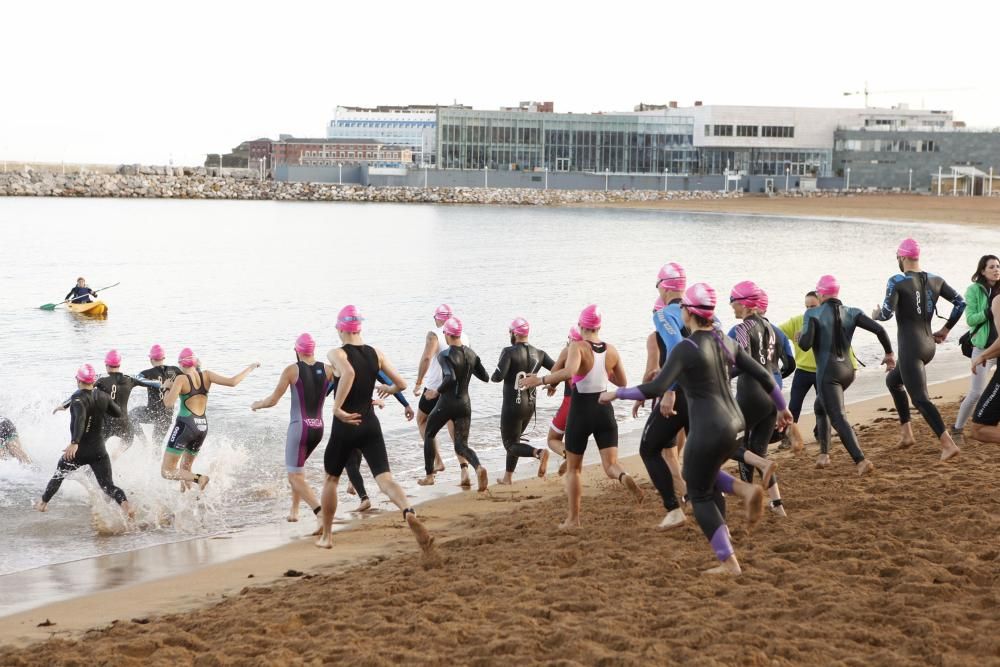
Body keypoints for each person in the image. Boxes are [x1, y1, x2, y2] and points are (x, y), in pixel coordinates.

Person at [601, 284, 793, 576]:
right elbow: (763, 375)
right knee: (705, 473)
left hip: (709, 428)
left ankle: (729, 563)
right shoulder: (723, 340)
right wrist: (782, 406)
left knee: (699, 492)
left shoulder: (686, 348)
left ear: (688, 312)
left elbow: (655, 387)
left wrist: (618, 394)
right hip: (735, 424)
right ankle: (744, 489)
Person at [317, 305, 432, 552]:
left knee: (331, 479)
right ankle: (408, 511)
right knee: (385, 479)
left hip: (346, 425)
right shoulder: (376, 353)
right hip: (370, 424)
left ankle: (327, 536)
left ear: (340, 328)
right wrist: (389, 390)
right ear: (360, 327)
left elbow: (347, 372)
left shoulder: (336, 353)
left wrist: (338, 408)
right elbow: (400, 383)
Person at [523, 305, 643, 530]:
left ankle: (573, 519)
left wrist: (539, 380)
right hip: (604, 409)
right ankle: (623, 476)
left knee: (574, 470)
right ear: (599, 326)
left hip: (581, 411)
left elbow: (569, 373)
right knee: (610, 465)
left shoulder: (577, 347)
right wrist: (603, 372)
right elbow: (622, 383)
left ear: (581, 326)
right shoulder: (612, 350)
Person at [872, 238, 965, 461]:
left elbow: (886, 314)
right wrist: (945, 329)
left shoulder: (897, 280)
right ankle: (906, 435)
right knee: (893, 381)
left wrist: (875, 315)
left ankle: (948, 444)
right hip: (928, 345)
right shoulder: (935, 279)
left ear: (902, 257)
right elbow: (961, 303)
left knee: (920, 399)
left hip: (911, 347)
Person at [800, 275, 894, 474]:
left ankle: (861, 460)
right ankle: (824, 455)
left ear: (821, 293)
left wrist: (801, 335)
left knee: (837, 416)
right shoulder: (852, 312)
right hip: (847, 371)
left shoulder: (813, 314)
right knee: (820, 406)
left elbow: (805, 345)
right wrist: (889, 354)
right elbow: (879, 329)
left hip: (828, 373)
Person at [252, 333, 334, 524]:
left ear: (297, 350)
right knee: (297, 469)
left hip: (299, 429)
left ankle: (320, 513)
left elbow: (273, 400)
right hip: (318, 429)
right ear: (313, 350)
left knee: (294, 476)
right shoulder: (329, 369)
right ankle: (295, 511)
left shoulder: (291, 370)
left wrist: (257, 404)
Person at [37, 364, 135, 517]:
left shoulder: (77, 398)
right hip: (99, 451)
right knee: (107, 486)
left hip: (79, 451)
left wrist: (74, 442)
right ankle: (125, 504)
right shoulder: (103, 396)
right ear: (92, 381)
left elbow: (80, 419)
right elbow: (117, 413)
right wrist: (103, 405)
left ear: (79, 380)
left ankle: (43, 503)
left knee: (59, 474)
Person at [727, 281, 787, 516]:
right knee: (758, 451)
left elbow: (741, 363)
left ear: (742, 303)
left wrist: (722, 377)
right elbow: (778, 364)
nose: (731, 307)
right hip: (772, 394)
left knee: (732, 444)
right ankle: (778, 505)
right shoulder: (771, 329)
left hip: (751, 392)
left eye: (732, 301)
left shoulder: (741, 329)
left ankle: (749, 499)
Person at [638, 262, 690, 529]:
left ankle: (676, 506)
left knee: (655, 451)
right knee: (691, 453)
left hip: (673, 395)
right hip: (701, 394)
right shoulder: (699, 314)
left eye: (657, 284)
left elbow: (666, 356)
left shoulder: (660, 324)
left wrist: (663, 391)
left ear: (664, 287)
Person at [161, 348, 259, 490]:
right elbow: (233, 382)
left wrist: (166, 388)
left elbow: (168, 403)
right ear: (195, 363)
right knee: (185, 469)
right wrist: (251, 367)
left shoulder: (181, 379)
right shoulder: (207, 375)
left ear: (181, 364)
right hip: (202, 428)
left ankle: (200, 478)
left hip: (185, 426)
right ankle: (187, 501)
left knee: (167, 471)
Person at [417, 317, 491, 491]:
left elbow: (450, 377)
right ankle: (478, 467)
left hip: (447, 402)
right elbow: (485, 377)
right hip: (465, 404)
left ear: (448, 335)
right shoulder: (471, 354)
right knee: (461, 444)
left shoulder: (445, 355)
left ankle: (429, 476)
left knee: (429, 432)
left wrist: (436, 391)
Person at [778, 291, 856, 452]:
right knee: (794, 406)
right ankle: (788, 437)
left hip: (824, 371)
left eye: (813, 306)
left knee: (824, 406)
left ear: (821, 306)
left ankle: (819, 433)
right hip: (802, 371)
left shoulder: (830, 322)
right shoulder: (797, 321)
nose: (809, 310)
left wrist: (852, 366)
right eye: (806, 307)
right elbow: (775, 334)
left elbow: (844, 347)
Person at [491, 317, 555, 484]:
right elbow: (559, 369)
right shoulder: (540, 354)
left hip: (513, 405)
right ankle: (507, 478)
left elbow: (498, 377)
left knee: (510, 444)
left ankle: (539, 453)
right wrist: (550, 383)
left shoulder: (509, 352)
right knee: (515, 440)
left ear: (514, 333)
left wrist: (495, 371)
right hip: (530, 406)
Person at [413, 304, 471, 486]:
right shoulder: (464, 336)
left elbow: (427, 358)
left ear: (437, 318)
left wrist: (418, 382)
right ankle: (464, 470)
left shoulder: (435, 334)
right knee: (454, 428)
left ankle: (437, 461)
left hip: (434, 387)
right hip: (456, 390)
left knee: (422, 421)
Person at [953, 255, 1000, 442]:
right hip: (983, 349)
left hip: (998, 347)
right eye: (991, 267)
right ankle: (957, 429)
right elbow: (971, 319)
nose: (996, 270)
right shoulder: (974, 291)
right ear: (982, 270)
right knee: (976, 392)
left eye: (998, 266)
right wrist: (989, 311)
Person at [544, 326, 581, 477]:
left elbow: (555, 371)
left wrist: (552, 384)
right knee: (578, 438)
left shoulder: (568, 350)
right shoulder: (591, 350)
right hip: (591, 401)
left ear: (571, 340)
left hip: (570, 401)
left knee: (552, 439)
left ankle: (568, 455)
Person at [131, 345, 184, 444]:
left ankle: (144, 442)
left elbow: (132, 381)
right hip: (167, 415)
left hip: (152, 413)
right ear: (163, 358)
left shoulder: (146, 374)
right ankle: (157, 459)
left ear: (151, 359)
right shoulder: (175, 370)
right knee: (157, 444)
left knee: (131, 416)